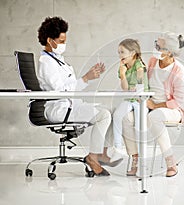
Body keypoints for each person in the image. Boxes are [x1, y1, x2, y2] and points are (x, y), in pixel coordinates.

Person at [36, 16, 121, 176]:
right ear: (49, 40)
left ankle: (100, 152)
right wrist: (86, 78)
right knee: (103, 115)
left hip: (70, 105)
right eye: (61, 41)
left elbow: (71, 87)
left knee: (111, 111)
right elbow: (60, 90)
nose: (63, 45)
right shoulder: (46, 62)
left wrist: (88, 78)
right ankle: (93, 158)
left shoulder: (58, 60)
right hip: (60, 109)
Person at [122, 32, 184, 177]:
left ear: (169, 52)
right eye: (156, 44)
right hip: (148, 105)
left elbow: (178, 101)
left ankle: (171, 162)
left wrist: (155, 106)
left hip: (172, 109)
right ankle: (136, 159)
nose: (155, 49)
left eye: (159, 47)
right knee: (126, 118)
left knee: (155, 117)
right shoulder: (152, 61)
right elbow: (143, 82)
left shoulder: (179, 70)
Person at [112, 39, 148, 165]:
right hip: (129, 98)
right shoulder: (122, 67)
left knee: (139, 125)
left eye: (122, 52)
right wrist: (122, 74)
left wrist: (137, 86)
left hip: (140, 100)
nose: (120, 55)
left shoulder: (138, 63)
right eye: (119, 52)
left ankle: (142, 156)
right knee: (117, 115)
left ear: (132, 53)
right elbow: (125, 88)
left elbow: (140, 73)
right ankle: (118, 147)